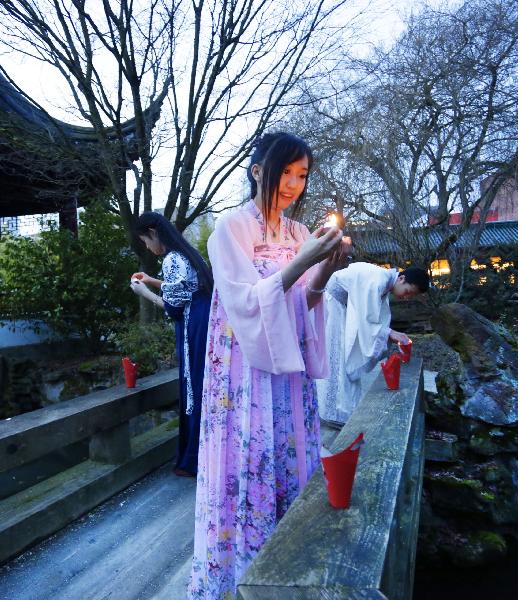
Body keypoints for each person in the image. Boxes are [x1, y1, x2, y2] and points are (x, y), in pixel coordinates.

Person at [187, 132, 352, 599]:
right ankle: (239, 575)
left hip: (288, 367)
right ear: (259, 170)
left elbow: (307, 300)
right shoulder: (230, 229)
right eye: (286, 172)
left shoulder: (300, 232)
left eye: (302, 175)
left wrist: (325, 268)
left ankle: (289, 561)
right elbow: (242, 301)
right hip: (243, 368)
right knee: (249, 451)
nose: (294, 184)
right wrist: (303, 261)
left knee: (291, 448)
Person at [130, 211, 212, 477]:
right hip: (204, 318)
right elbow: (186, 287)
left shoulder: (172, 259)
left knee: (192, 387)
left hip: (192, 325)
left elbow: (173, 306)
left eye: (144, 240)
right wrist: (151, 280)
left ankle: (193, 459)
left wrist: (145, 292)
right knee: (203, 384)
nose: (146, 246)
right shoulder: (188, 253)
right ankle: (206, 454)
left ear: (153, 233)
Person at [317, 263, 429, 425]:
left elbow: (373, 318)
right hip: (332, 304)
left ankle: (343, 411)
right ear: (402, 279)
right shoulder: (377, 280)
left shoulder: (384, 282)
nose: (406, 297)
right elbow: (367, 319)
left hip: (342, 307)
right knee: (336, 356)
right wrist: (389, 333)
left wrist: (388, 333)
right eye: (408, 292)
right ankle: (331, 412)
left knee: (343, 358)